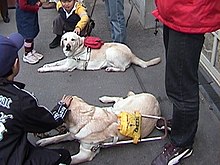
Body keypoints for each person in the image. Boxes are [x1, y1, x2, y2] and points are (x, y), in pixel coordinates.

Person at [151, 1, 220, 165]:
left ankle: (182, 143)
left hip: (189, 15)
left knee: (182, 86)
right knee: (176, 80)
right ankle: (181, 124)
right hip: (175, 13)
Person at [0, 32, 72, 165]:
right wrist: (61, 108)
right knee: (64, 156)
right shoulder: (21, 100)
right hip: (10, 159)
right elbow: (47, 122)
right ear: (16, 64)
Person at [16, 0, 44, 64]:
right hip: (25, 17)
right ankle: (27, 54)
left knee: (32, 32)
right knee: (28, 35)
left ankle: (31, 50)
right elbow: (23, 6)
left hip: (31, 14)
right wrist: (35, 7)